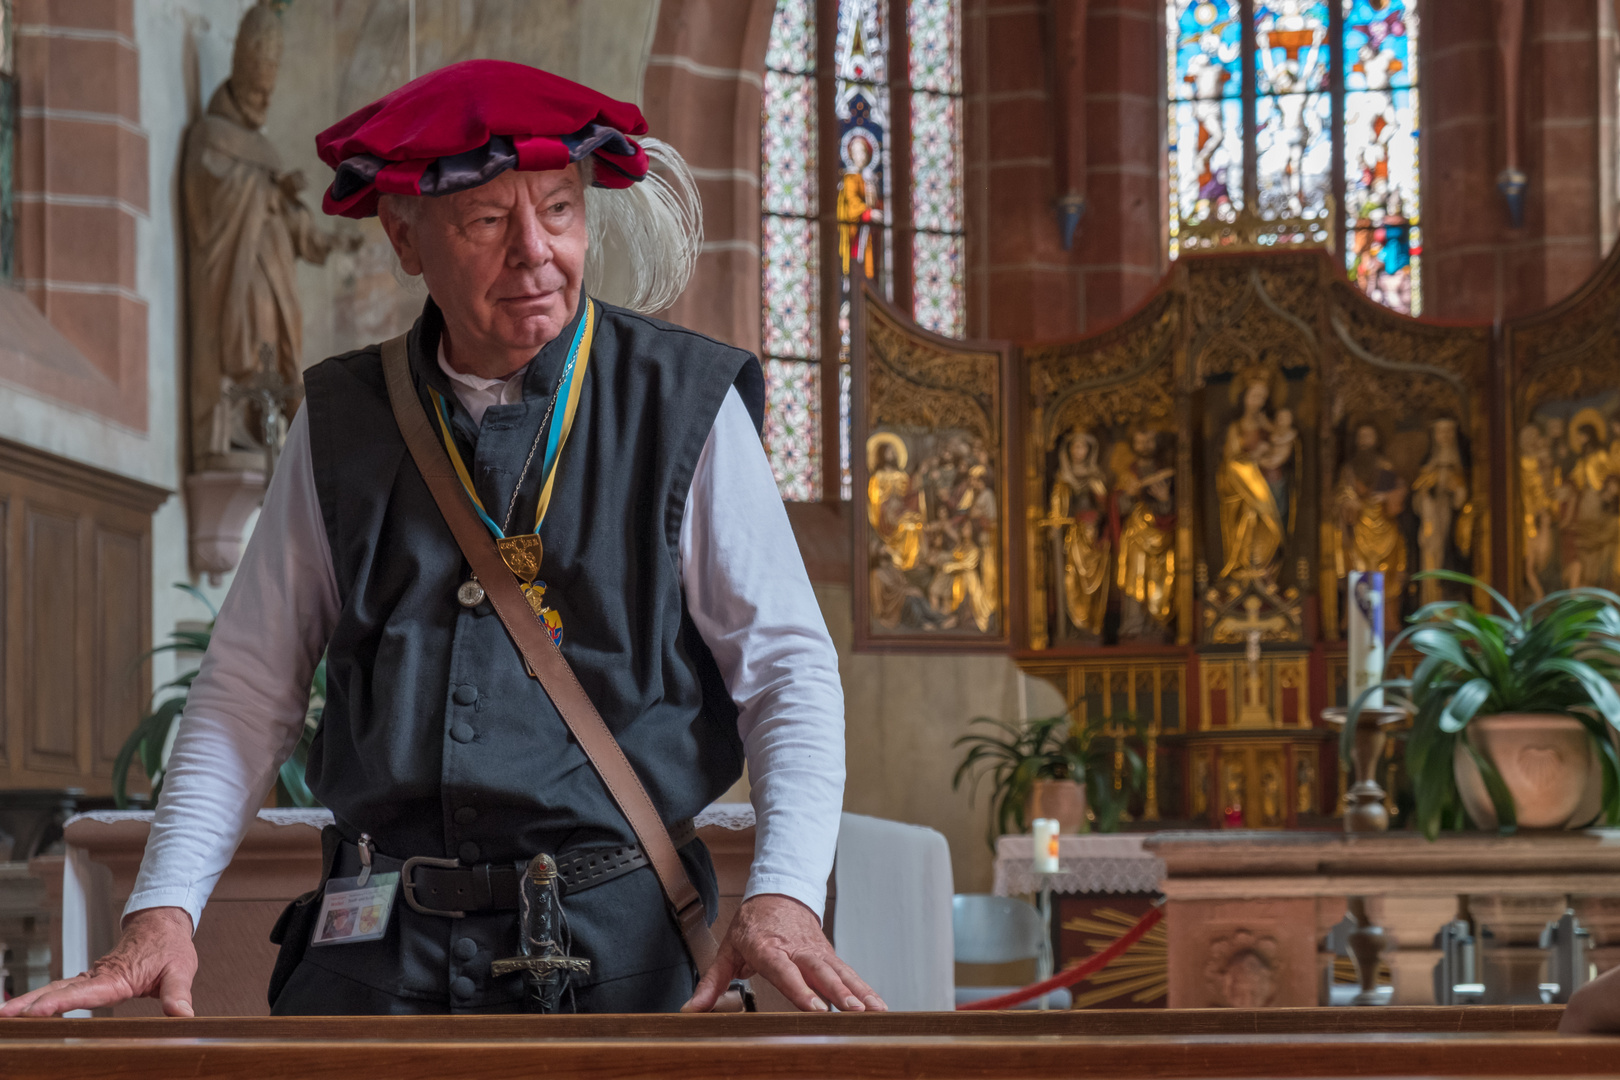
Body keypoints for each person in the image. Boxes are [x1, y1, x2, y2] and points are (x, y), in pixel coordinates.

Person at [2, 60, 879, 1018]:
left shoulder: (682, 403)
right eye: (488, 222)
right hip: (374, 964)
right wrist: (162, 907)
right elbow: (248, 687)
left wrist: (786, 893)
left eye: (558, 209)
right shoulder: (342, 417)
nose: (536, 252)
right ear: (405, 234)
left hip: (616, 960)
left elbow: (787, 669)